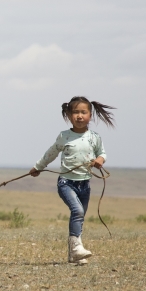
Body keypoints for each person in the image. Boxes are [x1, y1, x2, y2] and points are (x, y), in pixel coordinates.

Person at [30, 96, 115, 265]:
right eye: (75, 112)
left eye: (83, 112)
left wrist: (100, 160)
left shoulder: (95, 137)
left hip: (85, 184)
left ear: (90, 115)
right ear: (69, 115)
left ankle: (74, 254)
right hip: (66, 183)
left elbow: (102, 153)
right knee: (77, 211)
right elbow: (51, 153)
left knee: (79, 217)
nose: (79, 116)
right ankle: (77, 249)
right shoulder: (64, 136)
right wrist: (38, 167)